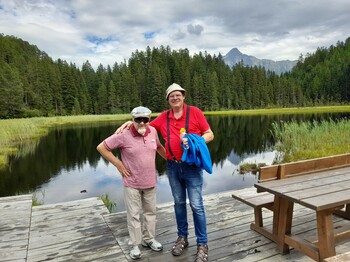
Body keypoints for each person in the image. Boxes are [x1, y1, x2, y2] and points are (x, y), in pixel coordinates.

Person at [116, 83, 214, 262]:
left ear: (183, 96)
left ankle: (202, 244)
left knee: (196, 205)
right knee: (178, 203)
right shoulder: (163, 117)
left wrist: (197, 141)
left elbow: (209, 133)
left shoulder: (195, 113)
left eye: (178, 95)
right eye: (171, 96)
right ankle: (182, 238)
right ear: (168, 99)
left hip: (192, 167)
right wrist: (131, 122)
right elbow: (144, 127)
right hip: (173, 166)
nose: (175, 98)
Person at [97, 106, 166, 260]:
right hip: (132, 183)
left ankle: (149, 239)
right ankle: (135, 245)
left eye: (145, 119)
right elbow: (102, 147)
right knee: (134, 214)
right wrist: (118, 164)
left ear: (149, 119)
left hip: (150, 182)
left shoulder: (153, 131)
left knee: (150, 212)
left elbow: (159, 148)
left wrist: (172, 159)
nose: (142, 123)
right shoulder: (123, 134)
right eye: (138, 119)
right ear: (133, 119)